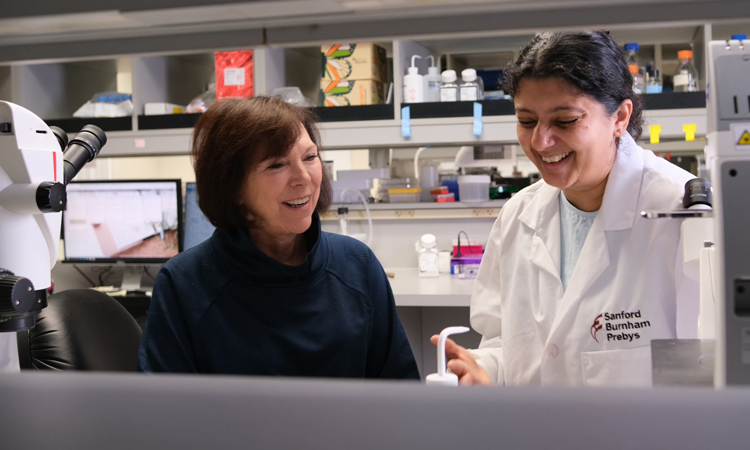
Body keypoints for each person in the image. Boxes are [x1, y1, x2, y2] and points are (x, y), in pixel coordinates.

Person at [432, 30, 698, 387]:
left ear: (620, 117)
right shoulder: (518, 215)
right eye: (526, 121)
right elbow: (503, 342)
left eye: (565, 120)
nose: (540, 141)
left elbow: (705, 364)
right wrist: (485, 370)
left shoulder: (682, 212)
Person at [139, 96, 419, 380]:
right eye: (276, 165)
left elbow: (400, 390)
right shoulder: (184, 283)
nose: (303, 178)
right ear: (233, 186)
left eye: (310, 157)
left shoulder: (356, 264)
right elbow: (162, 412)